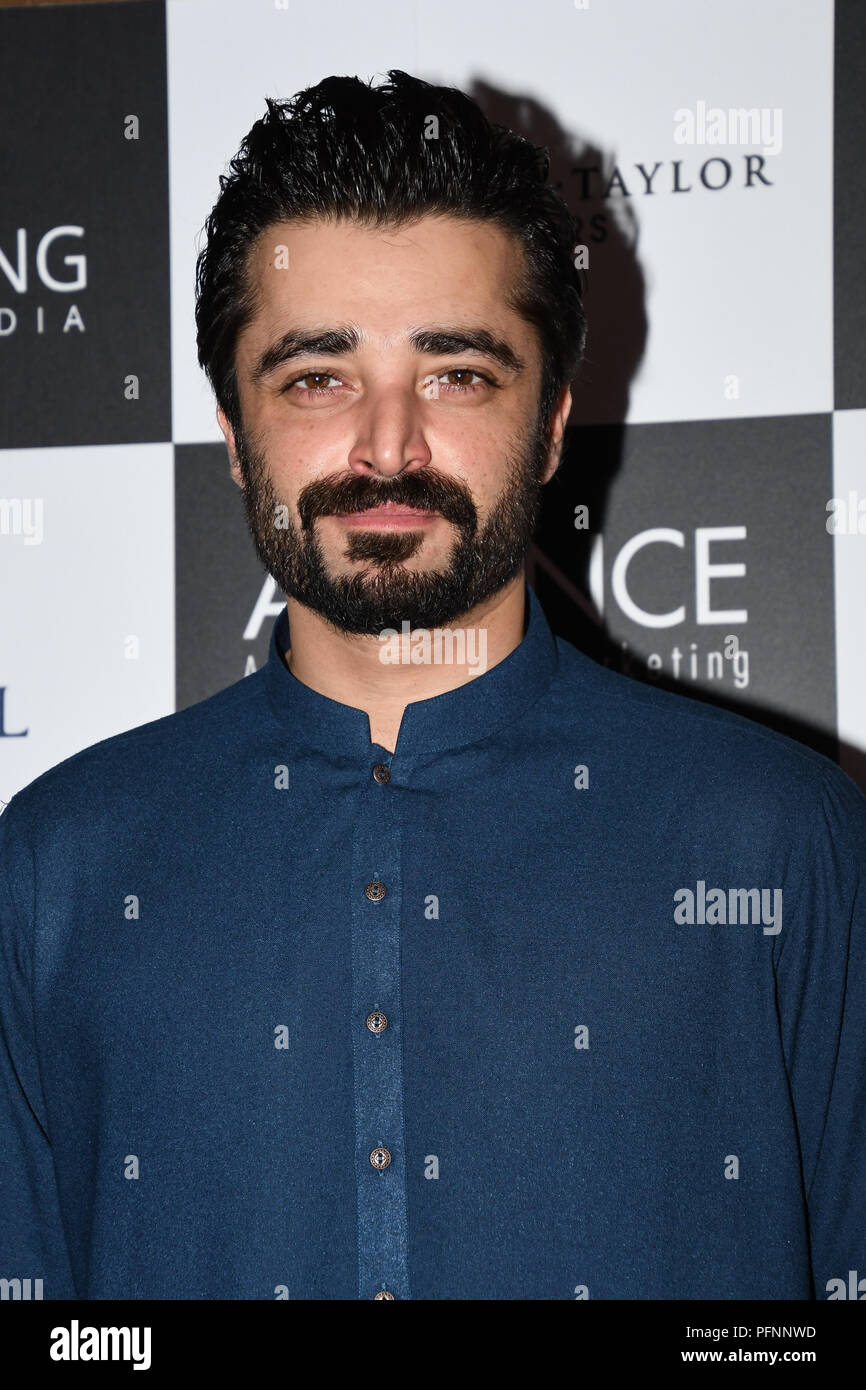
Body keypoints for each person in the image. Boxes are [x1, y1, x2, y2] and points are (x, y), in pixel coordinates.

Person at [1, 70, 863, 1302]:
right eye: (316, 376)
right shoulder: (57, 869)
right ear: (234, 430)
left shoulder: (783, 841)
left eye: (457, 373)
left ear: (552, 421)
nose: (388, 444)